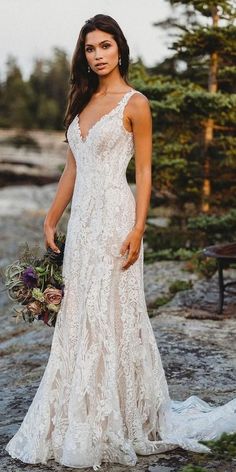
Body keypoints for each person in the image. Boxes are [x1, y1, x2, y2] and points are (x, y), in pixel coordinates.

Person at [5, 13, 236, 471]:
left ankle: (123, 415)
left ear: (119, 49)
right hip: (85, 221)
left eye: (105, 46)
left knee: (113, 310)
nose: (97, 55)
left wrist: (139, 229)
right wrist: (52, 216)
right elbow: (73, 166)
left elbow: (144, 172)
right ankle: (76, 412)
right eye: (90, 48)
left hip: (115, 216)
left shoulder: (135, 103)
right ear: (84, 55)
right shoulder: (81, 101)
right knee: (78, 313)